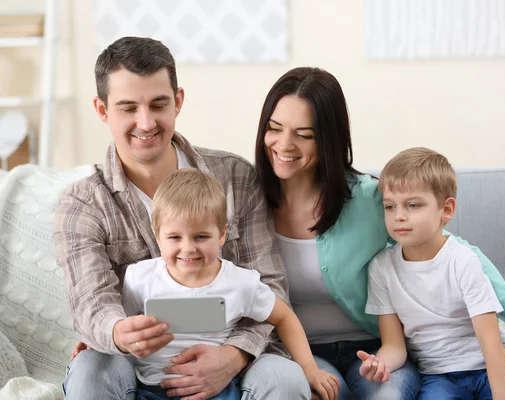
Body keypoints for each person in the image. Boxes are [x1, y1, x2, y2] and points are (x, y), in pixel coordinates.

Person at [253, 66, 505, 400]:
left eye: (304, 134)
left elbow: (454, 250)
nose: (284, 144)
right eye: (274, 128)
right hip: (303, 351)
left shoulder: (371, 201)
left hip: (379, 347)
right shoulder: (251, 203)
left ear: (329, 138)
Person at [53, 36, 313, 400]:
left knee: (284, 378)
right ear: (102, 110)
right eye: (128, 108)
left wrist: (232, 356)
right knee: (89, 372)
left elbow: (270, 289)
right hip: (136, 362)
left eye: (158, 104)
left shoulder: (236, 177)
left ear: (177, 101)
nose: (145, 123)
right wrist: (115, 333)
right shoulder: (81, 204)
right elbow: (92, 305)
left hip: (236, 355)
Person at [122, 168, 340, 400]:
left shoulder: (240, 283)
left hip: (218, 390)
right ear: (157, 235)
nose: (188, 248)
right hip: (151, 388)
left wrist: (309, 369)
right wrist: (94, 340)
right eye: (175, 237)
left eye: (201, 237)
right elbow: (121, 323)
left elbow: (284, 317)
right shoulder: (139, 278)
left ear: (222, 234)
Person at [357, 147, 505, 399]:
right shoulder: (381, 268)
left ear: (446, 210)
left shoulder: (462, 261)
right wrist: (380, 362)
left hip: (487, 369)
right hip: (438, 377)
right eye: (390, 206)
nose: (399, 216)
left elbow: (491, 343)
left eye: (413, 205)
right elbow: (395, 346)